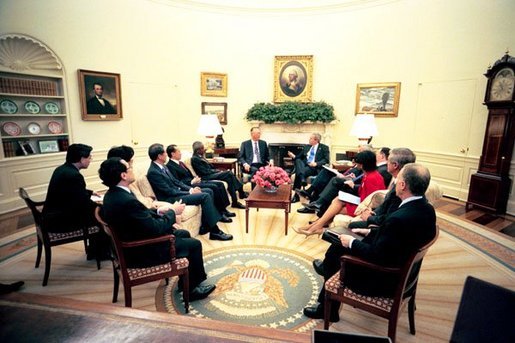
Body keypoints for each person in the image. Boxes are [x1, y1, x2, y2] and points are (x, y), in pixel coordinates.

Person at [303, 163, 437, 321]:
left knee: (339, 250)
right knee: (340, 243)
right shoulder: (428, 209)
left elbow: (377, 256)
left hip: (382, 279)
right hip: (404, 271)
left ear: (402, 185)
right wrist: (371, 231)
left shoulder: (397, 218)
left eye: (398, 179)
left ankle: (327, 309)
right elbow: (400, 239)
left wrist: (351, 242)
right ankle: (327, 274)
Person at [98, 157, 216, 301]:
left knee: (183, 233)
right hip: (142, 251)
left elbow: (139, 217)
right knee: (194, 244)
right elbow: (155, 228)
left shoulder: (113, 194)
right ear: (123, 175)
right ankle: (192, 291)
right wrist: (173, 213)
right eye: (129, 167)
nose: (132, 169)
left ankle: (186, 281)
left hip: (134, 240)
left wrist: (161, 211)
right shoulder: (126, 199)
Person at [146, 143, 233, 241]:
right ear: (159, 156)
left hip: (177, 193)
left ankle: (205, 226)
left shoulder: (163, 167)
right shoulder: (153, 172)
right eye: (165, 153)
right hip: (171, 198)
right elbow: (169, 191)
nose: (166, 154)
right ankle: (215, 231)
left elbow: (176, 182)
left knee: (208, 191)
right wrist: (189, 193)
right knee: (204, 196)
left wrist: (190, 189)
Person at [293, 150, 385, 236]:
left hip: (364, 208)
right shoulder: (369, 175)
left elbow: (369, 201)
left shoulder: (372, 178)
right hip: (361, 202)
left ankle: (314, 228)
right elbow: (363, 193)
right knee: (337, 199)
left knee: (335, 206)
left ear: (364, 164)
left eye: (358, 163)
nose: (357, 165)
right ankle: (313, 227)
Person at [42, 143, 108, 259]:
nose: (90, 160)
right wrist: (101, 206)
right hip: (61, 221)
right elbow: (82, 204)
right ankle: (99, 253)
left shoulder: (63, 169)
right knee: (103, 216)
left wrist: (90, 192)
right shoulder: (74, 175)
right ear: (82, 159)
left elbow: (70, 191)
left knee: (98, 212)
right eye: (89, 157)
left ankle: (95, 251)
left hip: (52, 215)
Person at [165, 144, 235, 219]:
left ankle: (223, 210)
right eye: (179, 151)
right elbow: (178, 182)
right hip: (189, 185)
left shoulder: (180, 163)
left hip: (195, 181)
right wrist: (192, 182)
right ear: (173, 154)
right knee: (213, 187)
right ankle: (220, 213)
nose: (180, 153)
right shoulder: (170, 166)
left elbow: (188, 175)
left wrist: (195, 178)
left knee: (219, 184)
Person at [191, 141, 247, 209]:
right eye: (202, 148)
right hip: (205, 177)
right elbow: (204, 172)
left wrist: (215, 168)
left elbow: (209, 167)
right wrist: (217, 171)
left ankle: (235, 201)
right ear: (198, 150)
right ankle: (241, 191)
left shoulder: (200, 157)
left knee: (229, 178)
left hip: (210, 174)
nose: (204, 149)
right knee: (228, 173)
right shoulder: (195, 159)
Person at [289, 133, 330, 202]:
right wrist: (293, 156)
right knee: (298, 160)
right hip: (304, 166)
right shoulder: (306, 147)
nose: (309, 140)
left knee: (299, 173)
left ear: (316, 140)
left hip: (314, 167)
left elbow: (326, 160)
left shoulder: (324, 147)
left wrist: (316, 163)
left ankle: (296, 196)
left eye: (311, 138)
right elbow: (298, 157)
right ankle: (302, 178)